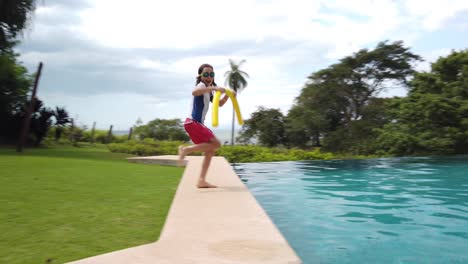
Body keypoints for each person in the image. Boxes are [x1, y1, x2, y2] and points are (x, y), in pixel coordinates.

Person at [178, 63, 233, 188]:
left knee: (210, 150)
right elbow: (195, 92)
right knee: (217, 144)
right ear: (201, 76)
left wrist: (228, 96)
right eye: (206, 74)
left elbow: (219, 104)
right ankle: (186, 149)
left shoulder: (209, 91)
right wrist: (214, 88)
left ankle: (201, 180)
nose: (209, 77)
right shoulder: (201, 85)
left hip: (194, 124)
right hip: (193, 122)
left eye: (211, 74)